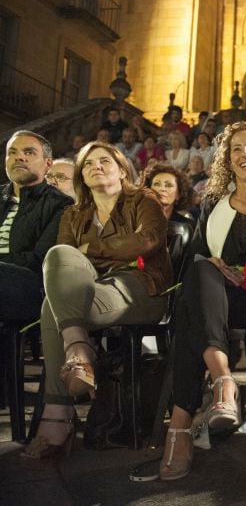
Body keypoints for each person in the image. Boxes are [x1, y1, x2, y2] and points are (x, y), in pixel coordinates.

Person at [158, 122, 246, 480]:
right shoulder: (212, 204)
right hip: (218, 300)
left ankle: (181, 423)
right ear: (227, 158)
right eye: (236, 149)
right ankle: (223, 381)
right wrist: (220, 269)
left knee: (191, 316)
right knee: (201, 272)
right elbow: (197, 257)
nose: (245, 154)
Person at [22, 141, 171, 462]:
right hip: (92, 294)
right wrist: (89, 259)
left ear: (122, 169)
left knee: (57, 308)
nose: (96, 167)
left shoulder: (143, 199)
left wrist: (91, 253)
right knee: (57, 274)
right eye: (88, 164)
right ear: (81, 176)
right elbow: (63, 261)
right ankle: (78, 350)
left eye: (105, 161)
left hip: (141, 290)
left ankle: (57, 419)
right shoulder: (74, 214)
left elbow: (147, 240)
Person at [1, 131, 73, 325]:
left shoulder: (61, 204)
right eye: (12, 152)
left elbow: (40, 260)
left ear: (48, 164)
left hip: (30, 286)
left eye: (29, 152)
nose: (19, 157)